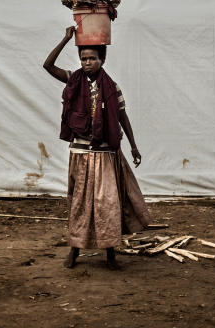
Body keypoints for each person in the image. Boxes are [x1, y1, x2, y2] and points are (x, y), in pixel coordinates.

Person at [43, 26, 152, 269]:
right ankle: (75, 250)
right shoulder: (73, 79)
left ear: (102, 60)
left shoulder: (112, 88)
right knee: (80, 204)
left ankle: (110, 253)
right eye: (83, 58)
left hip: (106, 154)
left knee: (107, 204)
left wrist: (133, 146)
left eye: (92, 58)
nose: (87, 62)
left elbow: (122, 117)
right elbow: (48, 66)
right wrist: (66, 38)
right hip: (81, 153)